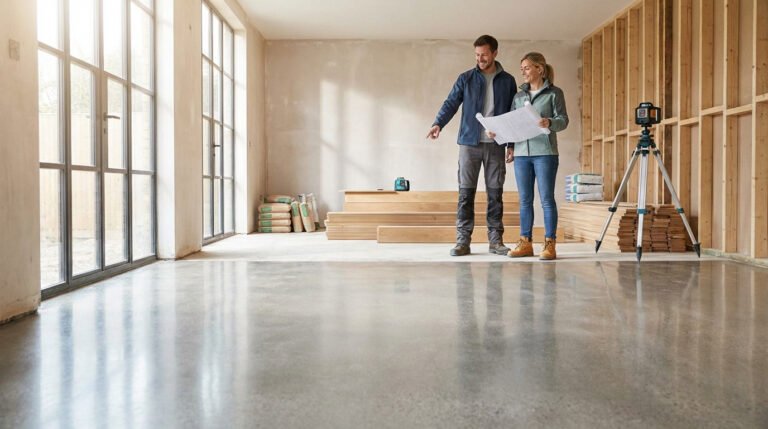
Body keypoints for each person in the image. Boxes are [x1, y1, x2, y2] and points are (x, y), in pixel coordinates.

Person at [426, 35, 517, 257]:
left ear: (495, 53)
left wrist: (511, 144)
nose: (480, 59)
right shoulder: (466, 78)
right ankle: (462, 241)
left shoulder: (508, 80)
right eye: (477, 55)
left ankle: (496, 241)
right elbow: (451, 103)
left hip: (496, 144)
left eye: (484, 54)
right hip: (469, 144)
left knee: (495, 194)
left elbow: (513, 115)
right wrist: (438, 123)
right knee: (466, 193)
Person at [504, 52, 569, 260]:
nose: (523, 72)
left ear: (539, 69)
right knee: (525, 200)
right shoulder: (518, 96)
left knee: (547, 200)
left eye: (527, 68)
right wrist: (510, 146)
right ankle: (525, 243)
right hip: (522, 153)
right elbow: (514, 124)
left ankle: (550, 244)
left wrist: (550, 122)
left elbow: (563, 120)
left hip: (545, 153)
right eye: (521, 68)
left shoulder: (554, 93)